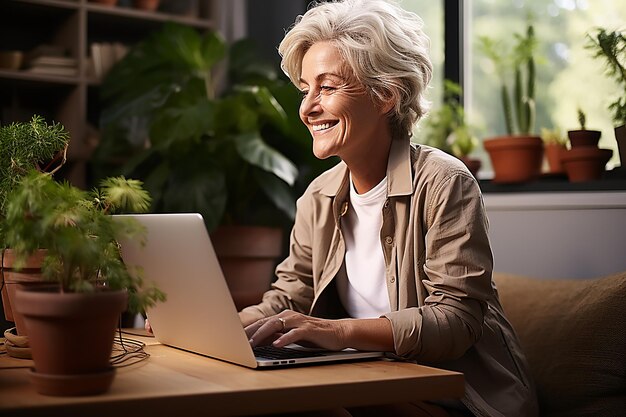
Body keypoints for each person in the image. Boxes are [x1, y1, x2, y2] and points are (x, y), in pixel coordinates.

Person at [237, 1, 539, 416]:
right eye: (305, 90)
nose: (307, 108)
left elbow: (456, 322)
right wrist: (218, 327)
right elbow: (290, 298)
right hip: (372, 383)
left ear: (384, 95)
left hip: (456, 396)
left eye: (327, 87)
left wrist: (337, 331)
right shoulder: (318, 196)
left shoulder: (444, 182)